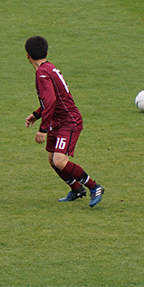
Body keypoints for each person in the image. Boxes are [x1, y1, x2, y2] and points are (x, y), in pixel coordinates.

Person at [24, 35, 106, 207]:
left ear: (27, 55)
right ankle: (76, 189)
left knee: (60, 161)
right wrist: (36, 114)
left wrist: (43, 129)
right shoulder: (49, 68)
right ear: (46, 52)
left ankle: (94, 187)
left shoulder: (42, 73)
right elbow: (53, 100)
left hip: (68, 121)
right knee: (52, 159)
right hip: (58, 120)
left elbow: (51, 100)